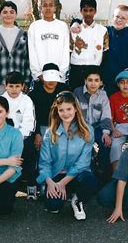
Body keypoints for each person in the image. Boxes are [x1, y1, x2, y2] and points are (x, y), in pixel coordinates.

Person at [36, 91, 99, 221]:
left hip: (76, 175)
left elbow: (83, 162)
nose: (65, 113)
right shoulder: (50, 132)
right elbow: (44, 162)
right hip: (56, 175)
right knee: (53, 207)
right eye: (61, 110)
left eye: (69, 109)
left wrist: (63, 183)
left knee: (90, 180)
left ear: (75, 108)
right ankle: (47, 189)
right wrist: (51, 182)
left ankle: (77, 201)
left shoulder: (87, 130)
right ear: (57, 111)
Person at [28, 64, 69, 199]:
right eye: (48, 78)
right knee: (38, 152)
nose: (51, 82)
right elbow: (31, 117)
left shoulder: (64, 91)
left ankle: (59, 181)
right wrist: (36, 134)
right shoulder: (34, 93)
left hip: (60, 126)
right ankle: (36, 183)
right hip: (41, 127)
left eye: (54, 78)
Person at [1, 71, 36, 197]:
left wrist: (16, 139)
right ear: (5, 86)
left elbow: (29, 124)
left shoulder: (27, 100)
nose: (14, 90)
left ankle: (31, 185)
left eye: (17, 86)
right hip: (4, 137)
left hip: (22, 137)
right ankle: (4, 183)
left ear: (22, 86)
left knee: (30, 150)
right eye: (11, 86)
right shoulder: (1, 100)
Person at [0, 1, 31, 95]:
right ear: (0, 14)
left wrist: (26, 80)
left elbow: (27, 59)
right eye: (5, 12)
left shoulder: (23, 35)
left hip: (18, 82)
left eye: (11, 12)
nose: (8, 15)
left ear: (16, 14)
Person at [73, 68, 112, 180]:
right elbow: (74, 114)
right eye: (90, 80)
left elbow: (106, 115)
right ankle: (86, 173)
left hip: (97, 127)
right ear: (85, 81)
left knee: (106, 143)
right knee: (83, 147)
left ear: (101, 82)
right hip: (81, 127)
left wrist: (106, 133)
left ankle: (101, 171)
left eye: (96, 80)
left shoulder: (103, 95)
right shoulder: (77, 92)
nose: (93, 83)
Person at [69, 0, 109, 91]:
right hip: (77, 69)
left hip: (94, 69)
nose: (88, 13)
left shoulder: (102, 30)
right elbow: (69, 50)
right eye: (85, 10)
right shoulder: (74, 30)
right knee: (76, 98)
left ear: (95, 11)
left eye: (91, 10)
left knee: (93, 99)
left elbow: (105, 52)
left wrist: (101, 72)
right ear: (81, 11)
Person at [28, 0, 69, 83]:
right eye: (45, 5)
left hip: (59, 77)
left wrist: (61, 73)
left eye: (51, 5)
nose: (48, 8)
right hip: (40, 77)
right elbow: (32, 52)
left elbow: (65, 52)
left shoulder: (62, 26)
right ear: (40, 8)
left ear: (55, 8)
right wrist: (38, 73)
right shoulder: (34, 27)